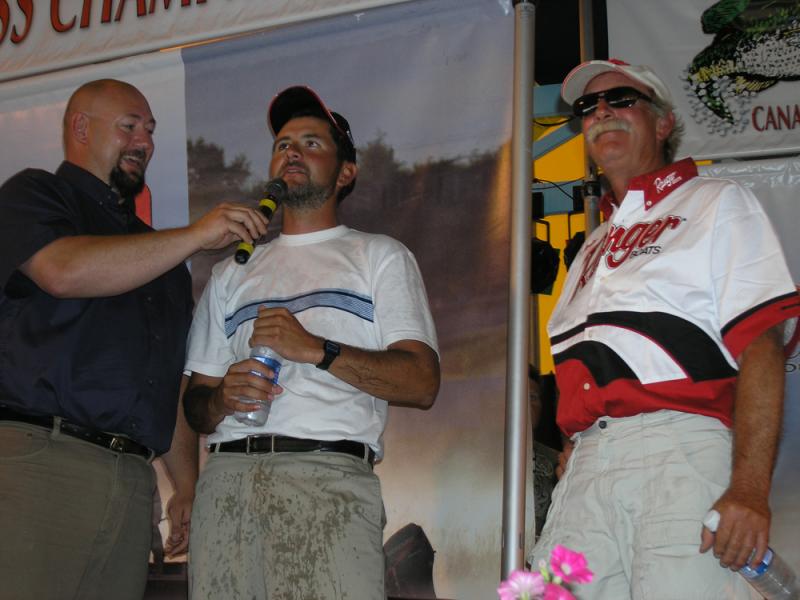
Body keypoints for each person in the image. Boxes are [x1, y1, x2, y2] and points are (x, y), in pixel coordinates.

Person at [529, 59, 800, 599]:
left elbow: (762, 346)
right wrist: (574, 442)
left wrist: (749, 490)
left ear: (663, 123)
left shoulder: (715, 201)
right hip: (586, 471)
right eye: (587, 107)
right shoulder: (591, 245)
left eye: (621, 99)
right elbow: (586, 361)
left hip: (680, 452)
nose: (601, 111)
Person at [0, 79, 270, 600]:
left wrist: (186, 485)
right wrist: (195, 235)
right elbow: (61, 271)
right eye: (129, 126)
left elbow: (166, 381)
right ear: (81, 128)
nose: (144, 142)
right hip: (41, 463)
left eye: (150, 130)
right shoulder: (34, 194)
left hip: (130, 481)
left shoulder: (162, 259)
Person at [182, 85, 440, 600]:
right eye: (283, 144)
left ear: (346, 173)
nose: (292, 151)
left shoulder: (379, 256)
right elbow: (194, 407)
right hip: (227, 481)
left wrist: (319, 350)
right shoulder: (232, 271)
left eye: (311, 143)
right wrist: (221, 397)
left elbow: (422, 382)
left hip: (328, 479)